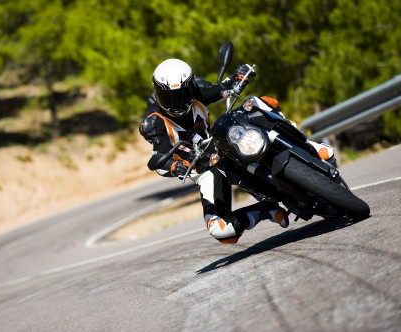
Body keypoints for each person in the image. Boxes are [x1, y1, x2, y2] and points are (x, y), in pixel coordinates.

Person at [139, 58, 335, 244]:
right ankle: (264, 210)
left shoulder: (196, 88)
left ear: (190, 86)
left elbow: (221, 90)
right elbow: (160, 159)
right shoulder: (153, 123)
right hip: (201, 166)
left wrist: (237, 77)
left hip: (221, 141)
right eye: (169, 96)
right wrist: (178, 166)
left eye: (182, 94)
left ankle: (309, 146)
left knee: (258, 103)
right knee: (222, 232)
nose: (177, 102)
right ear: (157, 92)